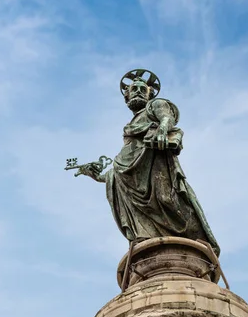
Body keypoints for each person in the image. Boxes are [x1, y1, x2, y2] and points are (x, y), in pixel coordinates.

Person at [81, 70, 220, 256]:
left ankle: (192, 242)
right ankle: (148, 240)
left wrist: (162, 128)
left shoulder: (154, 106)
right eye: (133, 89)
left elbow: (166, 117)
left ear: (150, 95)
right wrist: (96, 175)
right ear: (127, 96)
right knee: (121, 178)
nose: (138, 91)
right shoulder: (132, 125)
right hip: (132, 182)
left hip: (157, 168)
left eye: (142, 89)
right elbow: (124, 171)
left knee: (167, 200)